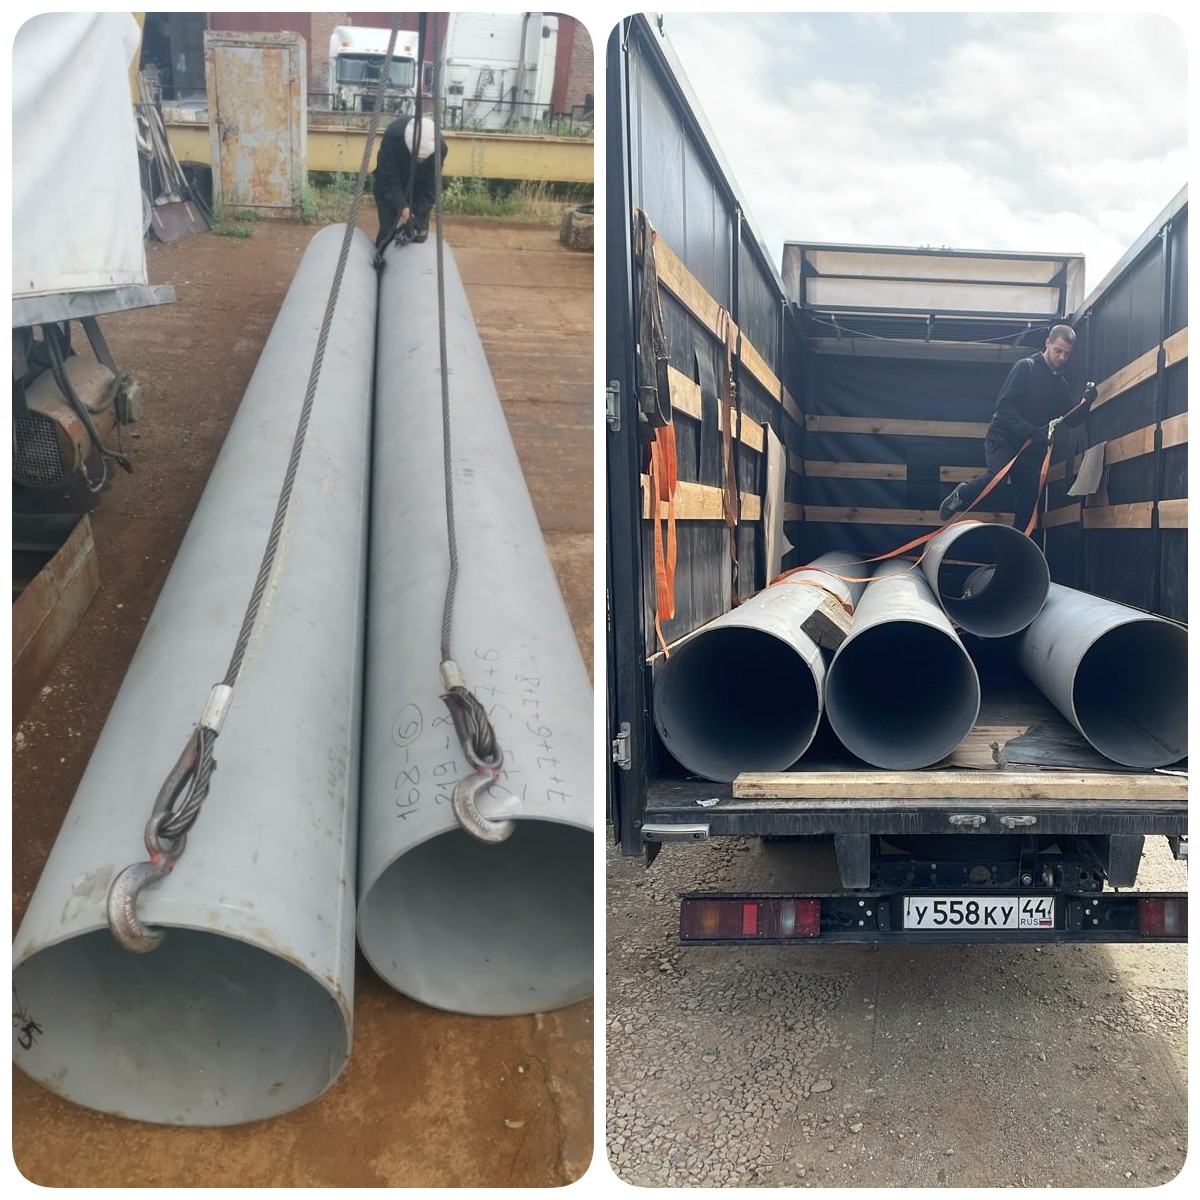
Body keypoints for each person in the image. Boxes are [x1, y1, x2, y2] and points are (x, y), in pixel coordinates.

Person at [938, 324, 1097, 532]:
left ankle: (1016, 548)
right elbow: (1004, 407)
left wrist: (1086, 403)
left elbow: (1071, 420)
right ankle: (962, 494)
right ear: (1048, 343)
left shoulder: (1060, 386)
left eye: (1067, 354)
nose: (1061, 357)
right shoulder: (1026, 368)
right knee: (997, 479)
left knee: (1028, 505)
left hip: (1030, 450)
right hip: (1004, 438)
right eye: (1058, 351)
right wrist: (1031, 431)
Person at [372, 114, 448, 255]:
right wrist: (407, 214)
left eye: (423, 158)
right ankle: (380, 257)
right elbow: (389, 183)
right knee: (387, 232)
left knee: (419, 234)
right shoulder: (393, 137)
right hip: (389, 185)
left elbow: (430, 188)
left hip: (418, 188)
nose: (420, 160)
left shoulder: (440, 148)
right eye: (417, 156)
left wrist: (415, 217)